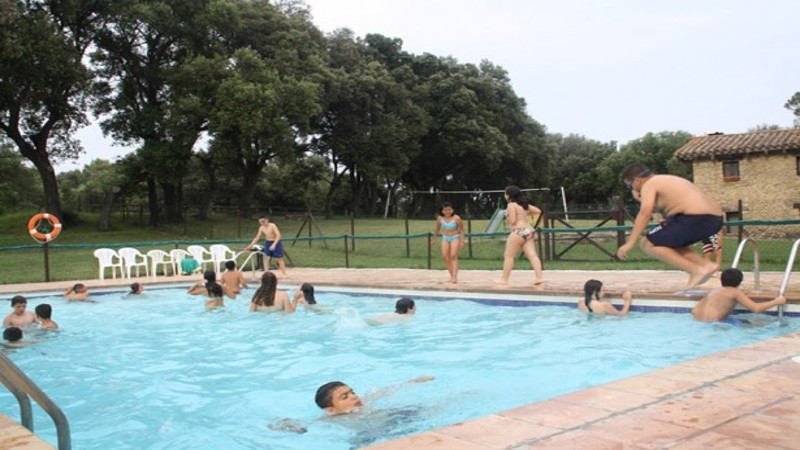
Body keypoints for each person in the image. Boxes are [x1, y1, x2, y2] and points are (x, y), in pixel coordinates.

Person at [617, 163, 724, 288]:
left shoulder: (649, 184)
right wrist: (639, 198)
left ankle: (696, 270)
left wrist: (630, 243)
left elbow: (645, 213)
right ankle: (705, 265)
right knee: (667, 242)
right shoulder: (664, 180)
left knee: (647, 243)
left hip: (696, 218)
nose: (632, 189)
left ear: (637, 180)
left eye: (629, 186)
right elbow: (661, 207)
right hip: (714, 219)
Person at [692, 268, 786, 322]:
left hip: (697, 321)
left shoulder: (714, 291)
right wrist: (777, 301)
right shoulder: (735, 292)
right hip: (716, 324)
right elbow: (756, 308)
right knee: (750, 324)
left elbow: (694, 310)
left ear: (721, 280)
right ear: (739, 282)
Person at [495, 185, 544, 285]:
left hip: (517, 231)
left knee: (509, 256)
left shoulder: (511, 205)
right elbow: (538, 211)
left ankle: (504, 279)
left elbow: (513, 221)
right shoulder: (524, 205)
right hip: (528, 231)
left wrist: (507, 215)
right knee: (532, 255)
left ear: (509, 195)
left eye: (505, 193)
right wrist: (525, 215)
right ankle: (539, 277)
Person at [314, 376, 435, 416]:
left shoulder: (364, 401)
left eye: (352, 392)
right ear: (331, 410)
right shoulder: (331, 419)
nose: (354, 397)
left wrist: (414, 381)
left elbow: (386, 391)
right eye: (345, 397)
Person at [430, 202, 465, 283]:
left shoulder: (456, 218)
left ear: (452, 210)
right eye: (445, 210)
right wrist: (433, 239)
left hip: (455, 237)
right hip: (445, 237)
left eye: (449, 210)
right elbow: (437, 229)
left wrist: (462, 241)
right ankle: (451, 275)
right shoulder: (440, 218)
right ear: (442, 211)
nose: (447, 211)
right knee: (445, 257)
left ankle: (455, 277)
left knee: (453, 256)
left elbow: (462, 230)